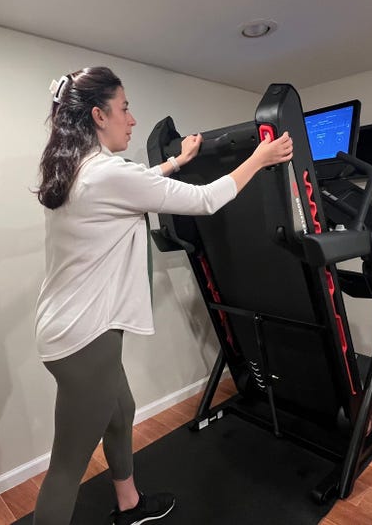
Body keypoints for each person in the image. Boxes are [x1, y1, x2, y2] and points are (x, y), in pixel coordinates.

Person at [33, 66, 293, 525]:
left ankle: (130, 506)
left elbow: (136, 186)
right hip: (83, 340)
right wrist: (261, 156)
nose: (132, 119)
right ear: (98, 115)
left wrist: (176, 162)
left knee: (123, 409)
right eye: (125, 108)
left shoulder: (80, 169)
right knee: (67, 466)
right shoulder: (107, 174)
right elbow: (208, 199)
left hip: (73, 330)